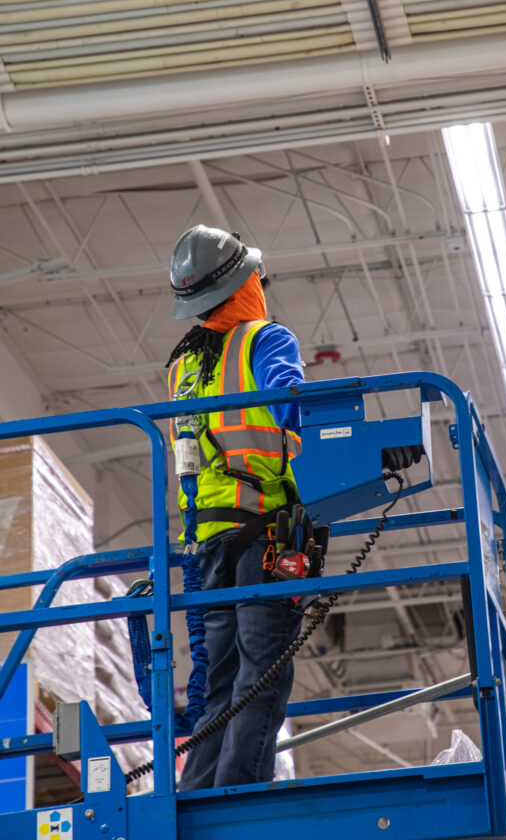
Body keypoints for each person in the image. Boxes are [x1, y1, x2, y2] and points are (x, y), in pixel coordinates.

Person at [165, 224, 305, 791]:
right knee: (261, 673)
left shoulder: (181, 365)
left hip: (206, 540)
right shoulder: (266, 340)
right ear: (247, 281)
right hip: (263, 528)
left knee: (218, 682)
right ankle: (242, 796)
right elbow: (292, 408)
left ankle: (200, 797)